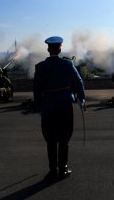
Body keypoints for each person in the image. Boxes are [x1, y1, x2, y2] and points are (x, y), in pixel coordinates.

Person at [33, 36, 86, 181]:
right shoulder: (68, 64)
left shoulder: (40, 67)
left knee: (50, 139)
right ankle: (63, 169)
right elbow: (79, 82)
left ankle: (52, 170)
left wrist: (38, 107)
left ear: (48, 49)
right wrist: (81, 98)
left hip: (48, 107)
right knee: (64, 138)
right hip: (64, 106)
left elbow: (36, 89)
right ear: (60, 48)